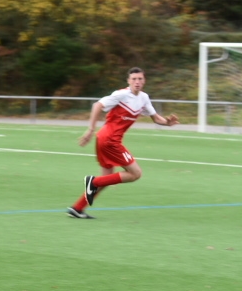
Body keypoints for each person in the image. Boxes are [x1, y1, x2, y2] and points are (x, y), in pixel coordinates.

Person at [68, 67, 178, 219]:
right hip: (109, 140)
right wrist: (90, 129)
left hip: (104, 140)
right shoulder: (121, 94)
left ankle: (77, 208)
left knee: (106, 180)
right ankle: (93, 182)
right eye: (134, 79)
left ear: (144, 81)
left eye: (140, 79)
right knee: (135, 173)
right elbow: (97, 105)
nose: (137, 82)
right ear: (128, 81)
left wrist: (167, 122)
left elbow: (155, 117)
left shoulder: (144, 98)